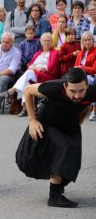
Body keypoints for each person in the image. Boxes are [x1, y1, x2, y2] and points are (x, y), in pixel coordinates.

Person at [15, 67, 96, 208]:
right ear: (65, 86)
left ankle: (58, 187)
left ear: (87, 85)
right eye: (73, 91)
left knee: (73, 154)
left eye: (81, 91)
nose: (77, 95)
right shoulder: (52, 87)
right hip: (47, 123)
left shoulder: (92, 93)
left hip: (69, 125)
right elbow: (28, 91)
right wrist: (32, 121)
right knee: (65, 147)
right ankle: (54, 196)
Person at [0, 33, 60, 117]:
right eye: (44, 41)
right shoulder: (38, 53)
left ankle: (12, 91)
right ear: (41, 42)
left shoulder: (54, 53)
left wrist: (36, 68)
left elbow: (50, 68)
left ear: (51, 42)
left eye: (48, 41)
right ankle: (25, 108)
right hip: (35, 75)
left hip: (48, 76)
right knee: (26, 83)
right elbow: (30, 65)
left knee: (28, 73)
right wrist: (34, 68)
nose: (46, 43)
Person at [73, 31, 96, 121]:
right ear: (82, 42)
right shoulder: (81, 53)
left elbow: (94, 69)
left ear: (93, 40)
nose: (87, 42)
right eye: (85, 40)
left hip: (91, 75)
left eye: (89, 39)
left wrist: (82, 68)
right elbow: (75, 66)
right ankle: (73, 109)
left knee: (91, 82)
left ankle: (93, 110)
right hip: (80, 75)